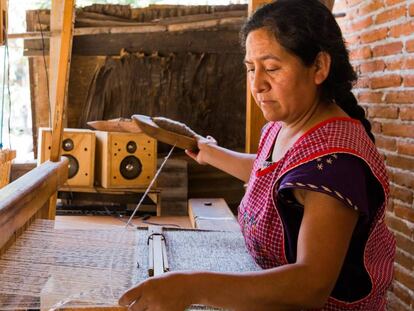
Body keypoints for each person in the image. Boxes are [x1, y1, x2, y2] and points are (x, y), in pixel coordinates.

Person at [119, 0, 396, 310]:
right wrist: (209, 152)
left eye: (272, 68)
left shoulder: (336, 164)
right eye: (251, 68)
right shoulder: (286, 126)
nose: (258, 84)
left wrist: (193, 287)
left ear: (319, 67)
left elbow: (310, 286)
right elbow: (275, 173)